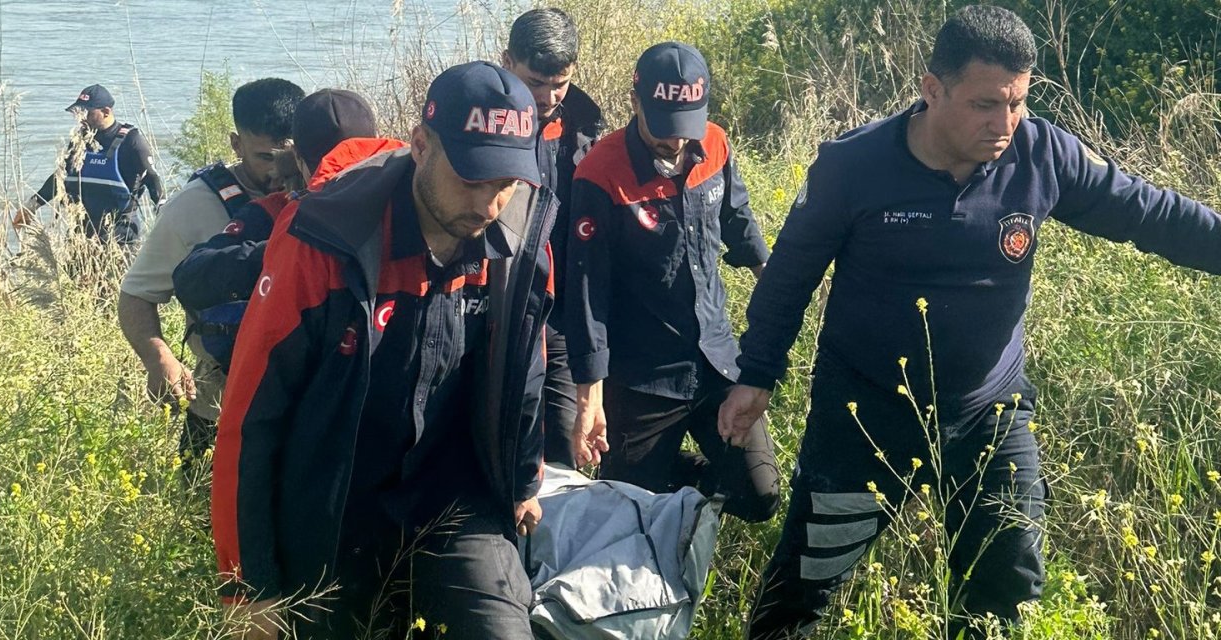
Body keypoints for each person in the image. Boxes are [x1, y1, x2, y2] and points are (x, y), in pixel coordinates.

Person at [717, 5, 1221, 638]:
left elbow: (1150, 213)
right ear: (932, 89)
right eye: (986, 104)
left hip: (989, 413)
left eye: (1016, 103)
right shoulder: (853, 166)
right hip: (864, 417)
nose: (1004, 123)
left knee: (1001, 592)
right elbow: (789, 276)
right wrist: (757, 375)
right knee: (803, 593)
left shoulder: (1040, 154)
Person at [211, 62, 555, 639]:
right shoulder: (322, 240)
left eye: (504, 183)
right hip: (338, 501)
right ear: (420, 146)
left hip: (455, 494)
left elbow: (527, 367)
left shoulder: (517, 240)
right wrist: (248, 586)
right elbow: (251, 417)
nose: (488, 205)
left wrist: (523, 481)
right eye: (471, 179)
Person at [566, 42, 780, 524]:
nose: (675, 143)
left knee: (759, 496)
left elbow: (737, 217)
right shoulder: (599, 173)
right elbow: (586, 294)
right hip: (643, 375)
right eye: (663, 129)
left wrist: (769, 275)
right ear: (635, 100)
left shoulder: (716, 145)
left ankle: (674, 483)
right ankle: (657, 479)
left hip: (716, 362)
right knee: (628, 509)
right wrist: (589, 395)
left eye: (686, 127)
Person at [118, 78, 304, 463]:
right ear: (236, 144)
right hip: (217, 400)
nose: (278, 172)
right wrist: (159, 358)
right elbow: (136, 293)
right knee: (202, 519)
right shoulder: (195, 206)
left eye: (290, 157)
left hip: (301, 405)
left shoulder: (322, 194)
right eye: (264, 157)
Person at [171, 88, 405, 372]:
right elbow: (191, 275)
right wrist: (285, 253)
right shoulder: (276, 213)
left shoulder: (407, 212)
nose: (338, 184)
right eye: (331, 172)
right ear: (299, 163)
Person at [501, 8, 605, 467]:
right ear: (507, 62)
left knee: (568, 451)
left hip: (558, 316)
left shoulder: (585, 130)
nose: (547, 96)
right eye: (534, 82)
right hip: (495, 312)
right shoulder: (477, 124)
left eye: (558, 83)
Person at [14, 84, 164, 245]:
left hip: (119, 233)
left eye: (88, 113)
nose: (82, 118)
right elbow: (60, 177)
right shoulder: (80, 141)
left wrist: (164, 214)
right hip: (80, 232)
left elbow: (152, 178)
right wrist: (32, 205)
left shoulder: (131, 141)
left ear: (106, 112)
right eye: (79, 113)